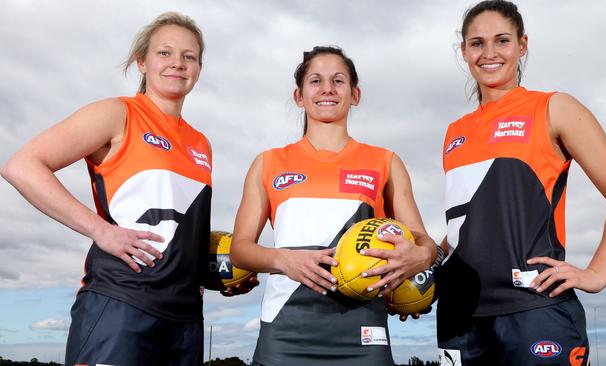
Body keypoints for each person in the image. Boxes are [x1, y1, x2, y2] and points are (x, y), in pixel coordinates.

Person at [431, 1, 606, 365]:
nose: (490, 53)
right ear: (464, 50)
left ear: (522, 45)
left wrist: (598, 273)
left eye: (502, 41)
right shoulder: (455, 132)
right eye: (477, 43)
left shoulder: (553, 108)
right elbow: (465, 226)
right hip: (460, 317)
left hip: (534, 309)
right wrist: (426, 266)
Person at [1, 12, 215, 365]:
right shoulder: (118, 114)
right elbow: (22, 166)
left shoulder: (201, 143)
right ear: (142, 62)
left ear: (198, 68)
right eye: (165, 53)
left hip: (185, 319)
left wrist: (218, 273)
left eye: (188, 56)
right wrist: (101, 230)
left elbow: (182, 225)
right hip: (120, 304)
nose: (177, 63)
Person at [230, 46, 443, 366]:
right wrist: (283, 260)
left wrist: (420, 257)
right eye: (315, 81)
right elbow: (240, 249)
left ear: (355, 94)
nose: (327, 89)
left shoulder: (385, 162)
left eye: (338, 81)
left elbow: (423, 241)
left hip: (364, 332)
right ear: (299, 96)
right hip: (285, 333)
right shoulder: (268, 163)